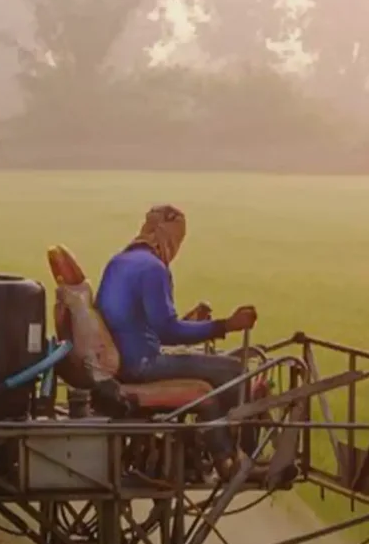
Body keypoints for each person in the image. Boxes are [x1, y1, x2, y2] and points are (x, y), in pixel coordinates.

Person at [94, 204, 259, 476]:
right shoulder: (153, 269)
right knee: (235, 371)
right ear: (168, 237)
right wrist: (225, 325)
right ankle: (248, 459)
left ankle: (224, 458)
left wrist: (190, 322)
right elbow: (168, 331)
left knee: (210, 389)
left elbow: (146, 325)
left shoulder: (119, 262)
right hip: (142, 364)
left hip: (123, 360)